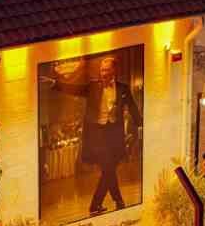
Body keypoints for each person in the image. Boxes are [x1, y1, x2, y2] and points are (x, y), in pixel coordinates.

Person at [45, 54, 143, 217]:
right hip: (98, 135)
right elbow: (74, 89)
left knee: (108, 170)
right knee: (108, 167)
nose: (103, 73)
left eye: (106, 70)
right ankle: (116, 202)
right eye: (102, 70)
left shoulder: (123, 89)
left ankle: (97, 205)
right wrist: (56, 83)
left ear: (114, 71)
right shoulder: (92, 87)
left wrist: (141, 124)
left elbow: (132, 108)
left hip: (114, 134)